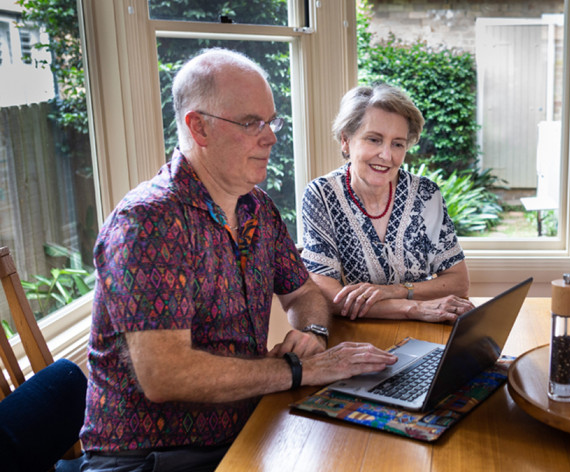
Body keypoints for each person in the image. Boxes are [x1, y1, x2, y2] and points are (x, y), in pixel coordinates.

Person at [80, 48, 396, 471]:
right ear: (199, 127)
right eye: (252, 124)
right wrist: (299, 372)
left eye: (271, 122)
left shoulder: (256, 207)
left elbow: (304, 293)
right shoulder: (148, 221)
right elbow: (166, 375)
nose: (270, 137)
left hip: (243, 428)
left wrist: (313, 334)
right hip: (151, 459)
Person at [301, 83, 475, 322]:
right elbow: (327, 294)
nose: (386, 155)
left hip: (425, 332)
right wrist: (412, 308)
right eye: (374, 140)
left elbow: (458, 282)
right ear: (345, 140)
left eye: (398, 144)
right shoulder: (321, 195)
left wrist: (397, 291)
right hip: (354, 339)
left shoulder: (425, 194)